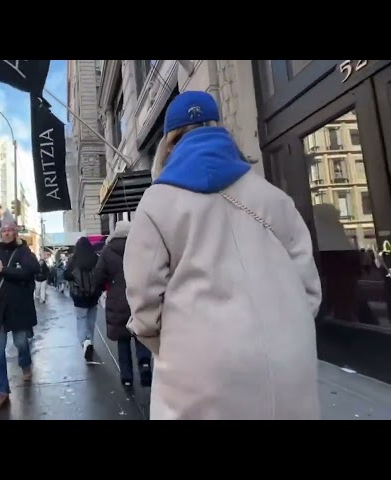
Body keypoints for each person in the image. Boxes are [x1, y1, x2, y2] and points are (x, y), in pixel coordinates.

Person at [124, 91, 322, 420]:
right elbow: (309, 291)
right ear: (220, 128)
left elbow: (143, 303)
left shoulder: (156, 203)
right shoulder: (273, 197)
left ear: (168, 143)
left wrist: (175, 347)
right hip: (288, 367)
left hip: (198, 374)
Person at [0, 212, 39, 411]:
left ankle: (25, 363)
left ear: (15, 231)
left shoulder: (23, 251)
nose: (7, 233)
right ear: (0, 232)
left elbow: (31, 271)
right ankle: (0, 390)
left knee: (21, 343)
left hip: (19, 307)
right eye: (4, 230)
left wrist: (4, 270)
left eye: (10, 229)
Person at [93, 220, 152, 388]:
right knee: (141, 333)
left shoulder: (107, 251)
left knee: (123, 339)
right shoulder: (140, 247)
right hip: (139, 296)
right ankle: (145, 364)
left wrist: (105, 286)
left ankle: (127, 377)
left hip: (117, 299)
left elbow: (98, 276)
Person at [64, 237, 102, 361]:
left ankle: (85, 342)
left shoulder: (73, 260)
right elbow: (101, 274)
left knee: (81, 320)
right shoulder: (96, 258)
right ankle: (90, 341)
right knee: (91, 321)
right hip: (93, 296)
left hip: (78, 296)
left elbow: (66, 275)